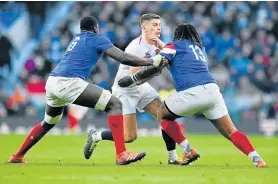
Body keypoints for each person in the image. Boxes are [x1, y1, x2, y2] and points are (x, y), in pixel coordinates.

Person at [8, 16, 164, 165]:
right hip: (68, 82)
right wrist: (150, 61)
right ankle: (121, 154)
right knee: (114, 104)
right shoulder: (96, 38)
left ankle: (18, 155)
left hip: (52, 82)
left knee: (49, 122)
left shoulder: (76, 39)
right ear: (96, 28)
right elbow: (122, 57)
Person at [118, 23, 267, 168]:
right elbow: (179, 55)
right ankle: (257, 159)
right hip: (213, 91)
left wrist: (133, 79)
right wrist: (162, 45)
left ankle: (188, 151)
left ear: (177, 36)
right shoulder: (200, 49)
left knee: (162, 113)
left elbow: (159, 63)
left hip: (192, 92)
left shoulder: (173, 46)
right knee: (231, 131)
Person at [84, 13, 193, 165]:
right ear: (144, 28)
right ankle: (96, 136)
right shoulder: (136, 47)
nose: (158, 28)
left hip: (141, 86)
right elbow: (135, 76)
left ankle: (172, 157)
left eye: (159, 25)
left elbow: (168, 61)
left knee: (165, 116)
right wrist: (158, 67)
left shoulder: (157, 43)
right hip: (126, 89)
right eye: (154, 25)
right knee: (129, 137)